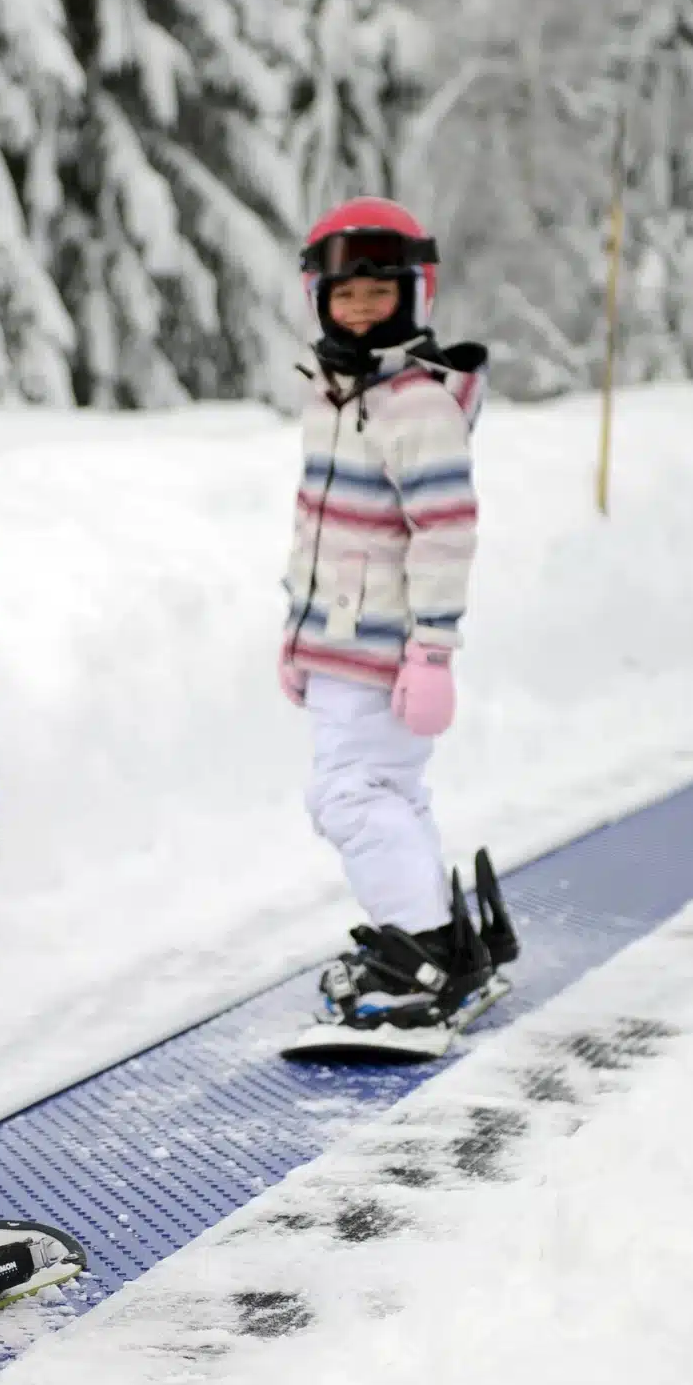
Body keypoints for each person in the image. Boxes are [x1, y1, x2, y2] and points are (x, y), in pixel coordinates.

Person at [278, 197, 510, 1030]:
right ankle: (437, 938)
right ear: (320, 300)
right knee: (389, 793)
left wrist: (433, 653)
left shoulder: (416, 405)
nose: (362, 310)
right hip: (340, 644)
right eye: (346, 295)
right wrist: (297, 639)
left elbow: (444, 532)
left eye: (380, 294)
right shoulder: (336, 396)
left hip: (386, 655)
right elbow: (318, 531)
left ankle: (421, 953)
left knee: (348, 795)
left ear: (415, 295)